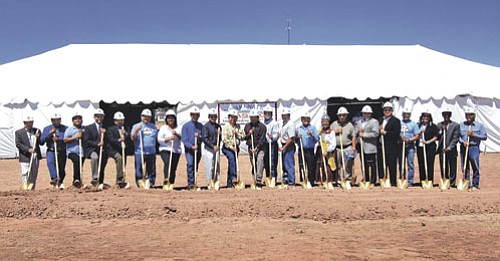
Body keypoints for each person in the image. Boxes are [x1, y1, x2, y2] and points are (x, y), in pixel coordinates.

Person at [459, 107, 487, 189]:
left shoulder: (479, 125)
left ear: (474, 116)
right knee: (464, 166)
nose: (468, 116)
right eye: (467, 115)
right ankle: (467, 183)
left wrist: (474, 135)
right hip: (464, 147)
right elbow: (458, 136)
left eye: (470, 115)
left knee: (475, 165)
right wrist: (462, 142)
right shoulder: (461, 125)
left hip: (474, 147)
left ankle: (475, 184)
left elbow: (484, 136)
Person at [131, 109, 158, 187]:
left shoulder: (153, 127)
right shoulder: (136, 126)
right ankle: (139, 183)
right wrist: (136, 130)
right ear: (141, 117)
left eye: (148, 117)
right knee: (139, 169)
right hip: (139, 152)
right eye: (144, 116)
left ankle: (151, 183)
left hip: (151, 152)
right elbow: (132, 138)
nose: (146, 118)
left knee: (151, 169)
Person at [40, 113, 67, 188]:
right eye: (55, 120)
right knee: (50, 163)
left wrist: (59, 139)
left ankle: (60, 181)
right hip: (51, 150)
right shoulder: (47, 129)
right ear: (51, 120)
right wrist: (49, 134)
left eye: (58, 120)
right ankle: (54, 179)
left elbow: (67, 139)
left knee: (61, 167)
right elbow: (41, 141)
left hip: (61, 151)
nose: (56, 122)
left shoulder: (65, 128)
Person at [331, 107, 357, 185]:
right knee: (338, 165)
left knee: (348, 165)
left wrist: (353, 148)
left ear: (346, 116)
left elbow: (353, 137)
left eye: (344, 115)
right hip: (337, 148)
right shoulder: (334, 124)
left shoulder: (350, 125)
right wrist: (335, 131)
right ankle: (339, 180)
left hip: (347, 147)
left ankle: (347, 179)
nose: (342, 117)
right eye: (340, 115)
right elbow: (328, 134)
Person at [15, 114, 41, 190]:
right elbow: (18, 144)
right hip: (25, 155)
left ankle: (32, 188)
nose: (29, 124)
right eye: (27, 122)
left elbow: (40, 142)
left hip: (35, 155)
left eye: (31, 122)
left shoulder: (37, 131)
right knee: (25, 172)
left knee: (34, 172)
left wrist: (38, 137)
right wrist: (28, 149)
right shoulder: (19, 132)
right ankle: (25, 186)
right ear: (24, 123)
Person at [378, 102, 401, 186]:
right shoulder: (380, 120)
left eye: (389, 110)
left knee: (392, 165)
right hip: (381, 146)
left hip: (391, 147)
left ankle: (393, 182)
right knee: (381, 165)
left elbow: (396, 133)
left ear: (392, 111)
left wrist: (385, 132)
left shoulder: (396, 121)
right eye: (385, 110)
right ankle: (382, 180)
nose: (387, 111)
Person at [158, 109, 182, 188]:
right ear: (166, 119)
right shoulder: (163, 128)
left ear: (175, 119)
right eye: (168, 118)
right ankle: (166, 178)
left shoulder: (178, 128)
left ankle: (171, 182)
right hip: (165, 149)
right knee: (168, 162)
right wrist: (168, 139)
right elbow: (159, 139)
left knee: (173, 167)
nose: (170, 119)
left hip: (176, 150)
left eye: (172, 118)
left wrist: (177, 135)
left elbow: (182, 138)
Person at [436, 108, 460, 187]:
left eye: (448, 114)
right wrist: (441, 131)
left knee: (452, 167)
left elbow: (455, 138)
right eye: (445, 114)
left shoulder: (455, 125)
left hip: (451, 150)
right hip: (442, 150)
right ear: (442, 115)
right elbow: (437, 136)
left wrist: (449, 148)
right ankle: (445, 180)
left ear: (450, 115)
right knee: (443, 166)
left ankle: (452, 183)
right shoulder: (439, 125)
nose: (446, 116)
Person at [221, 109, 245, 188]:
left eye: (235, 117)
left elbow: (243, 136)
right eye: (232, 117)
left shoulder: (238, 126)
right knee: (232, 159)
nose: (233, 119)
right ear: (229, 117)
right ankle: (234, 177)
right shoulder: (226, 127)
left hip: (236, 147)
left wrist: (237, 133)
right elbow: (224, 140)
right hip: (227, 148)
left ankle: (230, 183)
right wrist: (231, 147)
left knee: (232, 163)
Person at [181, 107, 204, 190]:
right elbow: (184, 139)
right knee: (190, 165)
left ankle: (195, 181)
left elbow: (203, 138)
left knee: (195, 166)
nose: (195, 116)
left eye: (197, 115)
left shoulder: (201, 126)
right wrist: (191, 146)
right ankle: (191, 183)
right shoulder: (186, 126)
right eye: (193, 115)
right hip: (189, 150)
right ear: (191, 115)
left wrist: (199, 137)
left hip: (198, 150)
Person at [106, 111, 130, 189]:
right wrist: (120, 140)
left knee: (123, 163)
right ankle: (120, 179)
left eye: (121, 120)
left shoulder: (125, 128)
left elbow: (129, 138)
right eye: (118, 120)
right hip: (113, 150)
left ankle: (120, 180)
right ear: (115, 121)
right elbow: (111, 139)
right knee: (119, 158)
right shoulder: (111, 129)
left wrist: (126, 134)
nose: (120, 122)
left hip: (123, 149)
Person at [84, 109, 107, 187]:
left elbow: (108, 140)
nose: (99, 118)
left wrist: (105, 134)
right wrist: (97, 144)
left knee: (102, 165)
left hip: (103, 150)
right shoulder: (89, 128)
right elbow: (87, 140)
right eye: (98, 116)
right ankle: (95, 178)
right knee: (94, 157)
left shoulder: (105, 128)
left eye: (101, 116)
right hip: (92, 149)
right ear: (94, 117)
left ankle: (100, 181)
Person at [244, 109, 266, 189]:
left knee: (260, 161)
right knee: (254, 164)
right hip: (250, 148)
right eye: (251, 117)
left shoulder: (262, 127)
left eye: (254, 117)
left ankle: (259, 180)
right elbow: (244, 138)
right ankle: (255, 179)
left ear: (257, 117)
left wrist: (256, 148)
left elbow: (262, 139)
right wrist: (249, 134)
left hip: (260, 148)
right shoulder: (247, 126)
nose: (252, 119)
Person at [356, 105, 379, 184]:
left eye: (367, 113)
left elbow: (375, 133)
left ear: (370, 114)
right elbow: (357, 132)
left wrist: (364, 135)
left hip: (370, 146)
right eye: (364, 113)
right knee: (364, 163)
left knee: (372, 164)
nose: (366, 114)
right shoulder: (359, 122)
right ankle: (366, 178)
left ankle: (373, 180)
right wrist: (357, 132)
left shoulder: (374, 122)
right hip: (361, 146)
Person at [296, 112, 319, 185]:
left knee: (311, 166)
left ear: (309, 120)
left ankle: (310, 181)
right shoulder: (298, 129)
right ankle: (303, 180)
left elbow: (317, 139)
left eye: (307, 119)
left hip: (310, 150)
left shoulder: (313, 128)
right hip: (302, 149)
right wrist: (297, 138)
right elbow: (295, 141)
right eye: (304, 119)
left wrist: (312, 135)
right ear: (301, 119)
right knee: (301, 165)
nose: (305, 120)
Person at [416, 111, 439, 185]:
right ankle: (422, 180)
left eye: (427, 117)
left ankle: (429, 180)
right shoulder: (418, 125)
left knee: (429, 164)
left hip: (430, 148)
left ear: (429, 118)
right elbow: (414, 134)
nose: (425, 118)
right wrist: (419, 132)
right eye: (424, 116)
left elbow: (436, 136)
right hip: (420, 147)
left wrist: (428, 142)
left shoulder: (433, 126)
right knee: (421, 163)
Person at [399, 107, 420, 186]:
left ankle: (410, 181)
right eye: (404, 114)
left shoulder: (413, 124)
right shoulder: (399, 123)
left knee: (410, 163)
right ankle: (402, 178)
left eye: (407, 114)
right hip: (400, 146)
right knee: (401, 163)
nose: (406, 115)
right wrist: (401, 138)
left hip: (410, 146)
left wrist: (409, 140)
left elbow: (417, 135)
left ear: (410, 115)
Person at [63, 112, 85, 188]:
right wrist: (76, 137)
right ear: (73, 121)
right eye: (76, 119)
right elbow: (65, 140)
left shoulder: (84, 129)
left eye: (79, 119)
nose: (78, 120)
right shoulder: (69, 130)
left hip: (82, 151)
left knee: (80, 165)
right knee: (76, 161)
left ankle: (78, 181)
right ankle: (76, 179)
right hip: (72, 151)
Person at [202, 109, 221, 189]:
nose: (213, 118)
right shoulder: (206, 126)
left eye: (215, 116)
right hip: (209, 149)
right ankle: (210, 183)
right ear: (209, 117)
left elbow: (220, 138)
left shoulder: (218, 126)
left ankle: (216, 182)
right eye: (212, 116)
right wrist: (212, 146)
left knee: (217, 167)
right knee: (210, 167)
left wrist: (218, 145)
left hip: (216, 149)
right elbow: (205, 138)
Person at [316, 115, 336, 186]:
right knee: (320, 165)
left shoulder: (331, 132)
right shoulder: (319, 131)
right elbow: (316, 141)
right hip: (320, 150)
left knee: (328, 166)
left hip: (328, 152)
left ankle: (329, 180)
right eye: (323, 122)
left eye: (326, 122)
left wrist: (327, 150)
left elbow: (333, 144)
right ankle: (322, 180)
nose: (325, 123)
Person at [279, 108, 296, 186]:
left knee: (289, 164)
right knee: (284, 164)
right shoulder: (284, 123)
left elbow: (291, 138)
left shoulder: (290, 124)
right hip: (284, 144)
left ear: (289, 115)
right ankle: (286, 179)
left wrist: (284, 147)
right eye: (283, 116)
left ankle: (291, 181)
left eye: (285, 115)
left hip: (288, 146)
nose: (284, 117)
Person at [263, 105, 279, 184]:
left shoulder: (274, 123)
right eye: (266, 113)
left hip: (272, 144)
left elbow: (276, 134)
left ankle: (273, 177)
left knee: (273, 161)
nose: (267, 115)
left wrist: (273, 137)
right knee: (266, 161)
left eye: (269, 113)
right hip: (265, 144)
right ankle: (268, 176)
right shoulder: (263, 123)